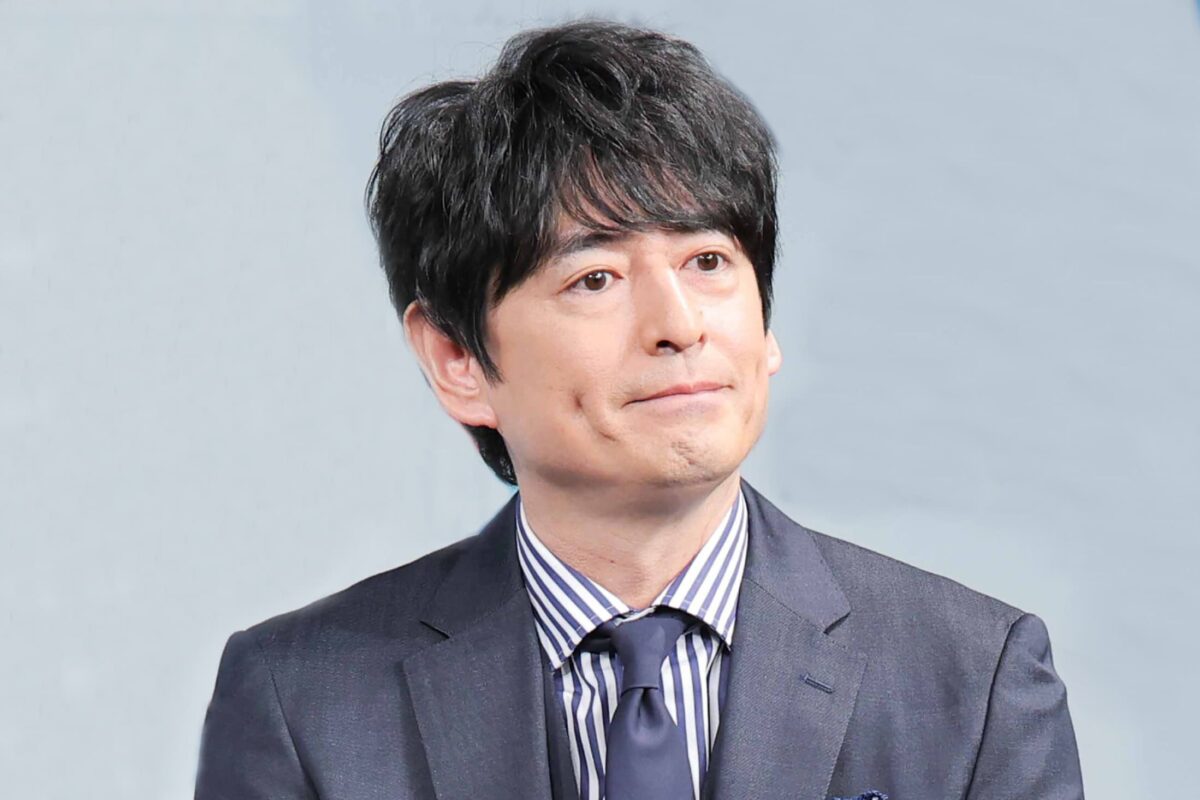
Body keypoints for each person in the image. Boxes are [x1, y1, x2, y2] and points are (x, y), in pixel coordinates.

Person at [194, 18, 1085, 800]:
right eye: (596, 278)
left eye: (709, 262)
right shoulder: (301, 703)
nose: (679, 325)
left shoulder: (974, 681)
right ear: (457, 359)